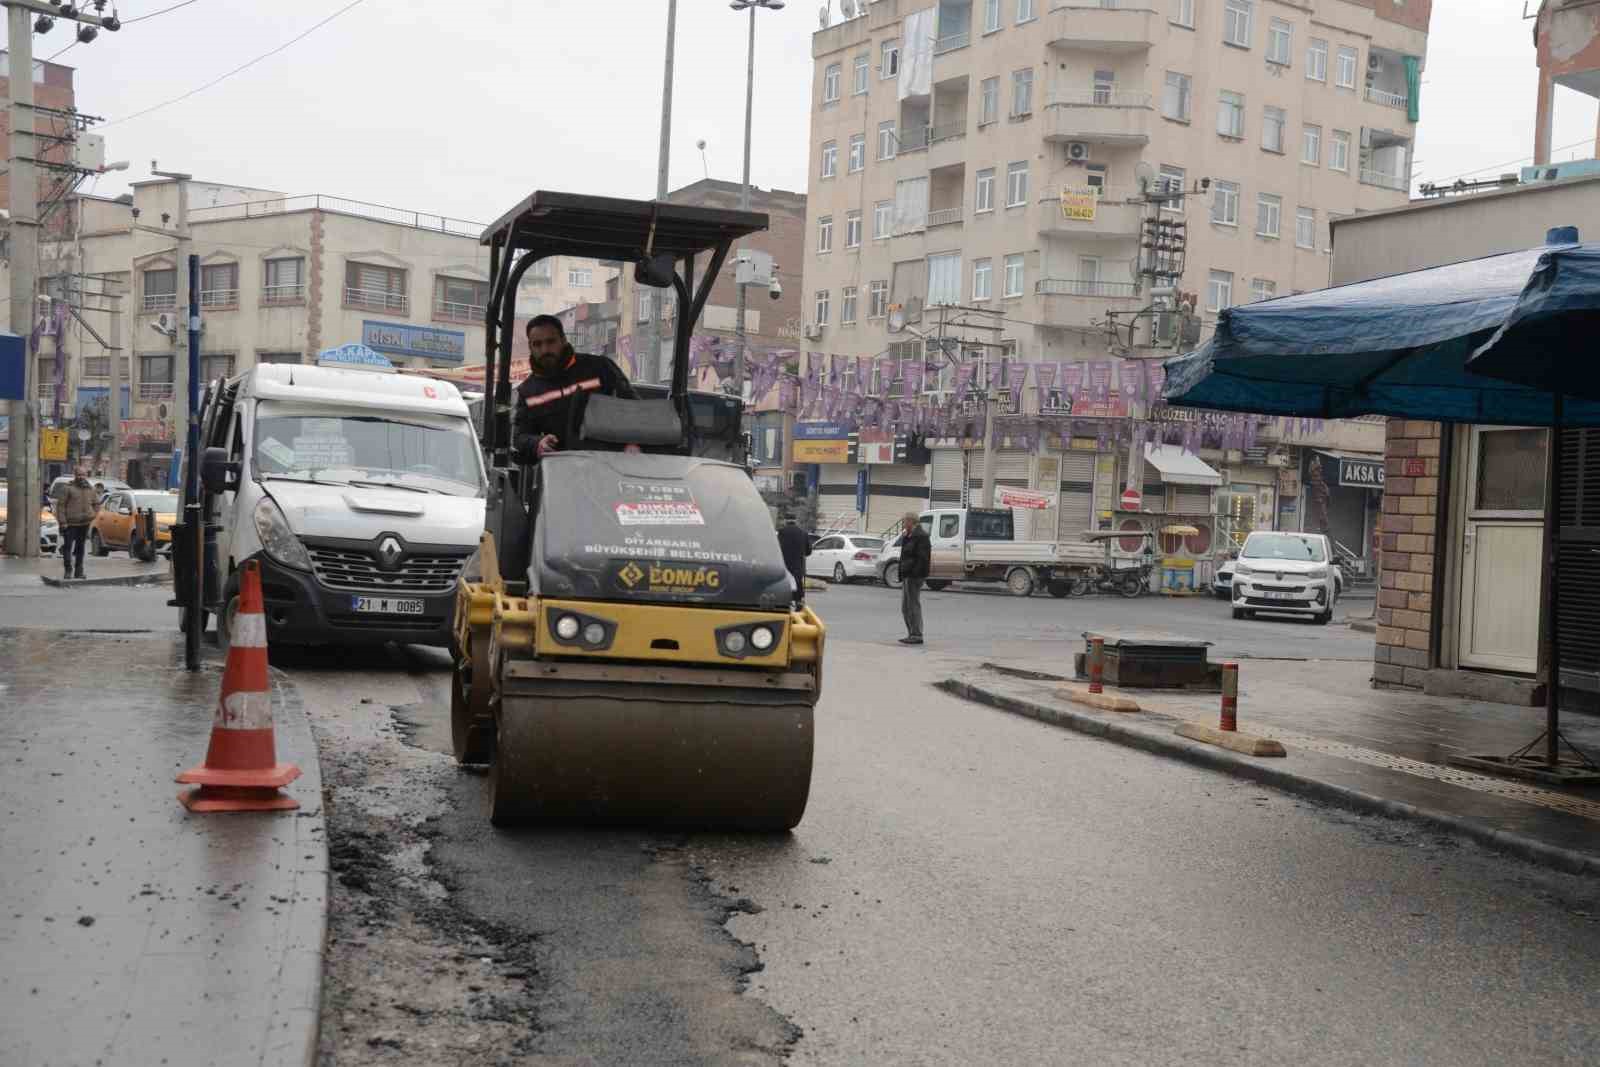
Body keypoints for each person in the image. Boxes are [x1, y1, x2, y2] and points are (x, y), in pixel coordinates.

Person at [513, 314, 637, 463]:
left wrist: (632, 443)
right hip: (564, 470)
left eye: (551, 342)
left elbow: (633, 408)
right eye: (537, 344)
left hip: (609, 462)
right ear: (530, 347)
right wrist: (537, 443)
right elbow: (521, 436)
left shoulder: (600, 367)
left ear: (563, 340)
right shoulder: (529, 391)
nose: (545, 350)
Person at [56, 467, 99, 581]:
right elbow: (60, 506)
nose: (81, 477)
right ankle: (68, 570)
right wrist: (63, 522)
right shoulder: (67, 488)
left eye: (83, 475)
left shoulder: (91, 489)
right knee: (68, 547)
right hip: (69, 524)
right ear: (75, 475)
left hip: (85, 524)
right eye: (79, 475)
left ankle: (79, 571)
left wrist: (93, 514)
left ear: (86, 475)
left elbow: (96, 503)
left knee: (81, 548)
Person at [897, 511, 931, 646]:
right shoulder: (909, 535)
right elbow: (905, 555)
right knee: (905, 607)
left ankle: (916, 634)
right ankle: (911, 633)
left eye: (905, 521)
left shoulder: (921, 536)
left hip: (914, 576)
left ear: (911, 521)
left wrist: (914, 574)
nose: (903, 524)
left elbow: (923, 559)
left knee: (912, 605)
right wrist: (905, 537)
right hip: (907, 574)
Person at [776, 514, 811, 609]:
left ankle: (784, 603)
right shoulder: (803, 533)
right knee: (798, 584)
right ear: (796, 521)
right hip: (798, 566)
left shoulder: (781, 532)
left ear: (785, 521)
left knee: (785, 585)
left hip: (785, 565)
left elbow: (777, 549)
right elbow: (808, 551)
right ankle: (798, 603)